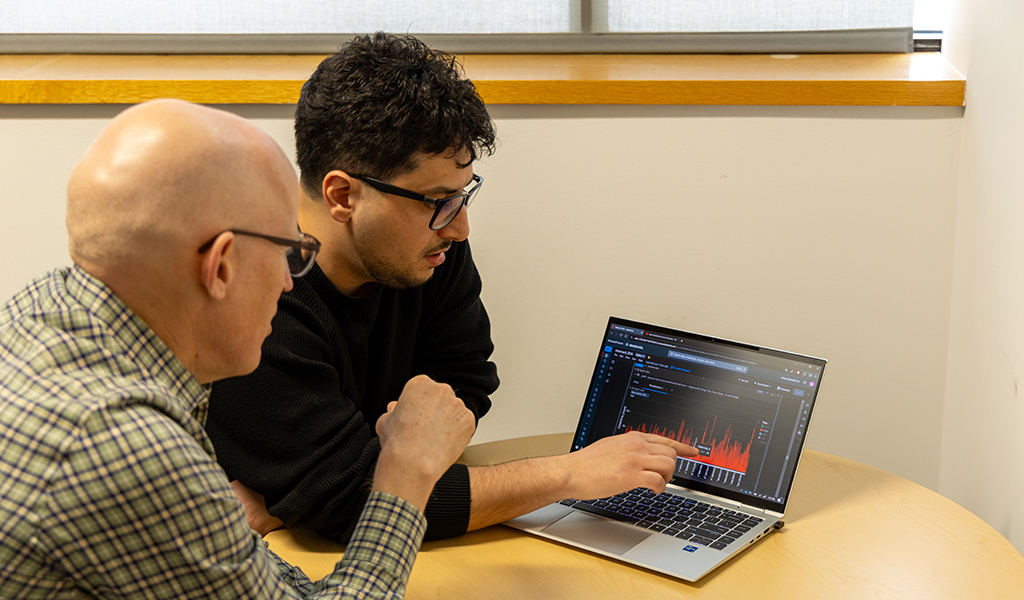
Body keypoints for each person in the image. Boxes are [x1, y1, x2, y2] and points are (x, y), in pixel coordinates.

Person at [206, 33, 697, 543]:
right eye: (437, 200)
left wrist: (328, 489)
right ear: (342, 195)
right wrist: (568, 475)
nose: (459, 227)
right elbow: (359, 509)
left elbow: (465, 382)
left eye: (462, 194)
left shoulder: (429, 252)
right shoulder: (253, 297)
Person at [0, 99, 476, 599]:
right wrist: (404, 475)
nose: (290, 284)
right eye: (288, 251)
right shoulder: (128, 446)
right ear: (222, 266)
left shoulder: (40, 311)